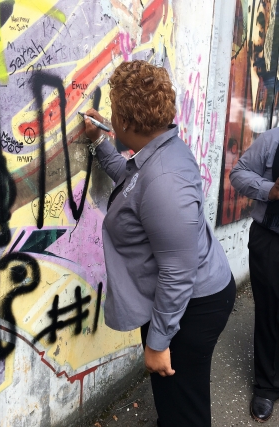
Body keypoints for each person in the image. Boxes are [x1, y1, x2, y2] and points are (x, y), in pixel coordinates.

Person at [83, 60, 235, 427]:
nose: (112, 118)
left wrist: (158, 342)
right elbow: (135, 186)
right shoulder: (159, 152)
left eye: (115, 113)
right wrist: (101, 142)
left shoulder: (165, 179)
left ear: (127, 123)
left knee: (184, 407)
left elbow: (177, 272)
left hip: (191, 307)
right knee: (176, 399)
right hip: (184, 302)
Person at [230, 127, 279, 423]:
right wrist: (271, 190)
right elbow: (239, 174)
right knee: (270, 312)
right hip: (271, 239)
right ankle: (266, 385)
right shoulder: (273, 140)